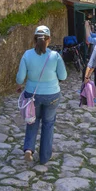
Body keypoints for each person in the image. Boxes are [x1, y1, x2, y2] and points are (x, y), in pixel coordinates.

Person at [16, 25, 67, 164]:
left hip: (32, 94)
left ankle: (28, 149)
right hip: (52, 94)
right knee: (48, 124)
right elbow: (63, 75)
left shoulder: (27, 55)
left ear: (34, 39)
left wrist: (20, 86)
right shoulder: (54, 56)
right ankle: (44, 157)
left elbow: (20, 79)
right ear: (49, 40)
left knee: (32, 120)